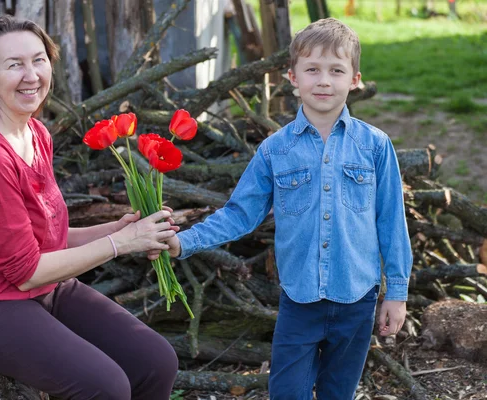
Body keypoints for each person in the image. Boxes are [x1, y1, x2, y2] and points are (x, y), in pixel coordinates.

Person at [0, 16, 179, 400]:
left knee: (156, 360)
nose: (31, 75)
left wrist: (117, 229)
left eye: (39, 60)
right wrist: (121, 244)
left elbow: (42, 240)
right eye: (14, 65)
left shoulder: (36, 133)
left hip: (41, 287)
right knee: (105, 387)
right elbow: (25, 271)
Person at [167, 18, 413, 400]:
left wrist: (396, 293)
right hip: (300, 301)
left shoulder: (375, 146)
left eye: (336, 70)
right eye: (312, 70)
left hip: (357, 300)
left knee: (338, 393)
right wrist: (185, 242)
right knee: (287, 393)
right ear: (293, 78)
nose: (324, 81)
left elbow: (392, 223)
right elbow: (240, 213)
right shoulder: (275, 150)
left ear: (355, 79)